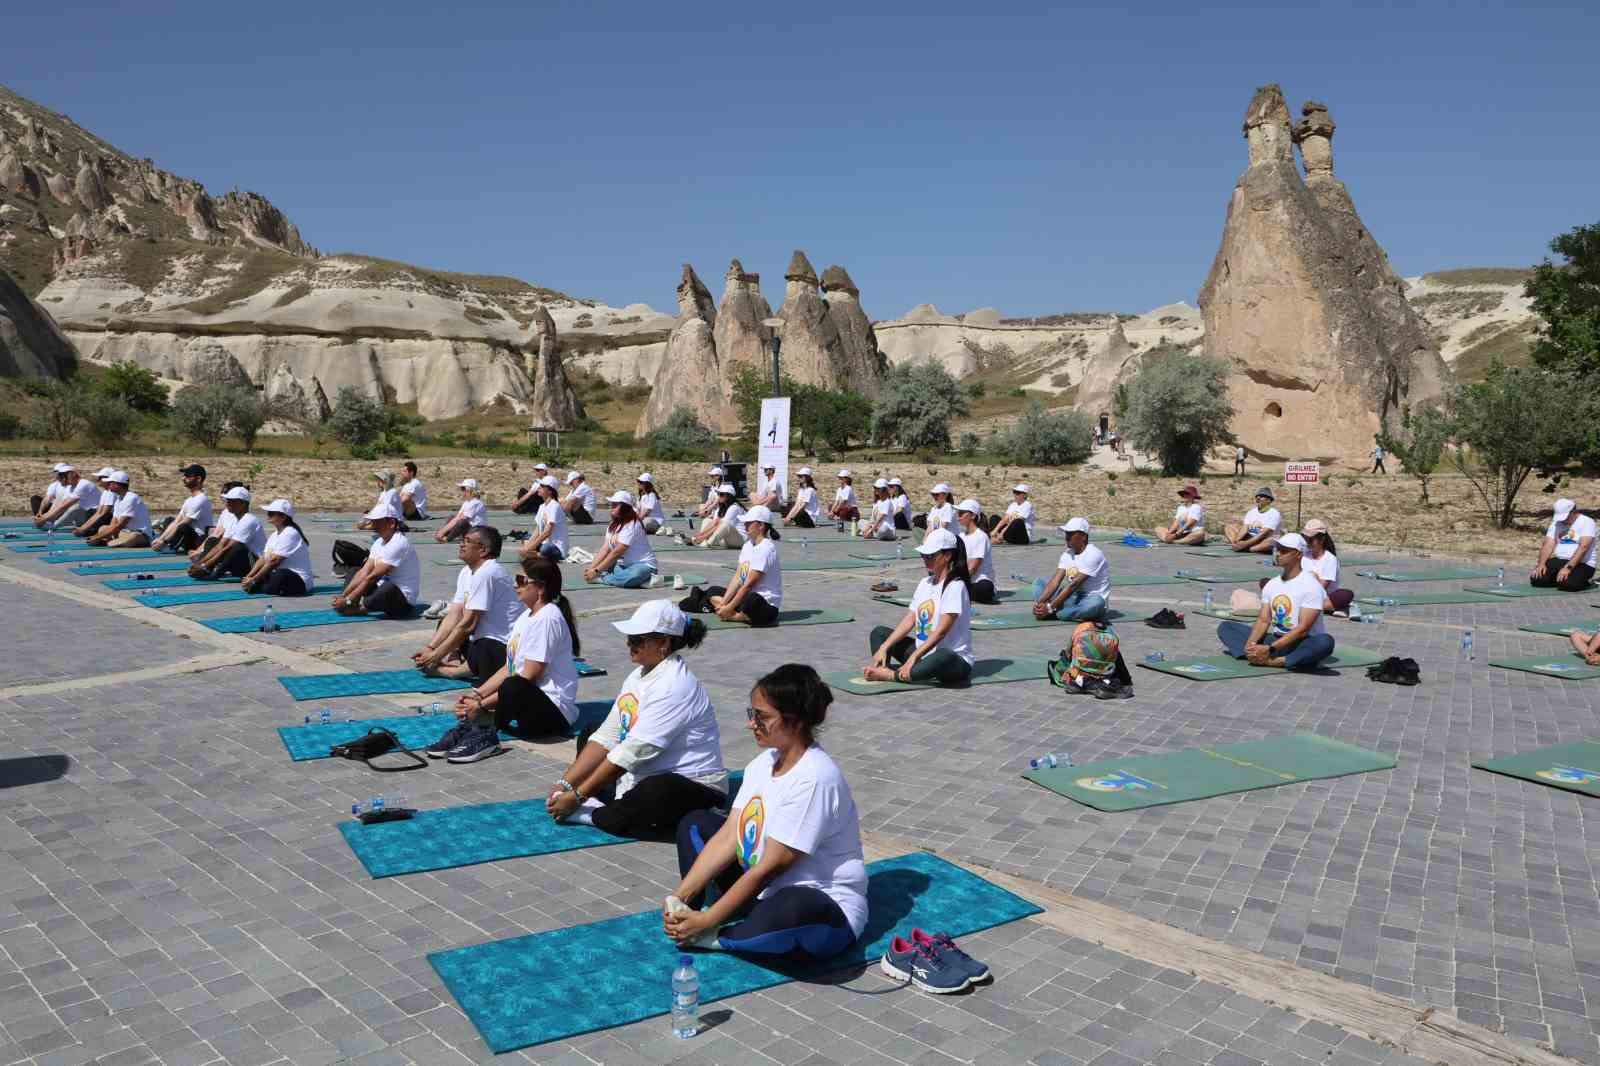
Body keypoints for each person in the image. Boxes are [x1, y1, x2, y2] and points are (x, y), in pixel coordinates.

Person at [665, 663, 867, 961]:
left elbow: (769, 869)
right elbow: (729, 835)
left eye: (761, 716)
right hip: (766, 894)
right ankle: (706, 917)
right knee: (696, 824)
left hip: (819, 907)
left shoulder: (815, 778)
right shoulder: (762, 763)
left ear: (795, 722)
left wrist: (707, 924)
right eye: (752, 714)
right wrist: (679, 896)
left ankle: (716, 934)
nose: (751, 723)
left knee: (793, 907)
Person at [544, 600, 727, 838]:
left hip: (694, 787)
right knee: (591, 732)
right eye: (630, 638)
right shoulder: (638, 675)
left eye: (638, 640)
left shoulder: (674, 686)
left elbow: (633, 751)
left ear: (664, 642)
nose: (630, 645)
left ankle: (592, 814)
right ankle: (615, 806)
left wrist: (578, 796)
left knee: (657, 790)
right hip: (641, 774)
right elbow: (608, 735)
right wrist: (565, 784)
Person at [438, 555, 583, 753]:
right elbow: (510, 667)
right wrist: (476, 694)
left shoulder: (547, 619)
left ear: (540, 588)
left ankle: (487, 732)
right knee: (506, 682)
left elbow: (529, 676)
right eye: (516, 580)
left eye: (522, 581)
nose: (516, 585)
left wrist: (481, 705)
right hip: (528, 702)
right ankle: (479, 723)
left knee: (513, 684)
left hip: (554, 713)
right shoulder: (527, 615)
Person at [864, 528, 974, 685]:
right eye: (923, 555)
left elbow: (941, 632)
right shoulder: (925, 583)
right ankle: (882, 668)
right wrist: (885, 646)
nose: (925, 559)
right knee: (879, 634)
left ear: (947, 556)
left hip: (952, 661)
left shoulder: (956, 586)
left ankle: (892, 675)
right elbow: (909, 620)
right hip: (923, 653)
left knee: (944, 655)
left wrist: (913, 657)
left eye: (930, 555)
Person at [411, 526, 521, 680]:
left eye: (467, 541)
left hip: (501, 647)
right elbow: (455, 613)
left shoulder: (487, 573)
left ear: (483, 550)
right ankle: (454, 659)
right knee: (446, 621)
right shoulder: (467, 572)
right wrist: (430, 649)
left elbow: (469, 624)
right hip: (479, 639)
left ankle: (453, 671)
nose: (461, 544)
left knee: (481, 643)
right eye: (462, 540)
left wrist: (437, 655)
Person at [1216, 533, 1335, 671]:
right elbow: (1263, 620)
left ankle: (1275, 661)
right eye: (1277, 549)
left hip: (1300, 642)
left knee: (1325, 642)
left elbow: (1303, 629)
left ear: (1298, 555)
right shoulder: (1272, 584)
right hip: (1276, 639)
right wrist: (1250, 646)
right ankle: (1258, 656)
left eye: (1284, 551)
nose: (1278, 554)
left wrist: (1270, 649)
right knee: (1226, 627)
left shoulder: (1311, 586)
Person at [698, 506, 782, 627]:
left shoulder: (766, 549)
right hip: (745, 599)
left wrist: (729, 608)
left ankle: (735, 616)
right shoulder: (748, 545)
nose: (745, 525)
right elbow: (739, 578)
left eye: (749, 522)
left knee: (752, 600)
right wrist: (725, 603)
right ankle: (737, 613)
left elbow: (748, 585)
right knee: (713, 591)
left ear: (761, 526)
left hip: (764, 605)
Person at [332, 504, 421, 617]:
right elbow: (364, 572)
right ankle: (351, 604)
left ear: (391, 523)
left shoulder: (399, 543)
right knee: (355, 571)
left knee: (387, 587)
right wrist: (343, 596)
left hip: (402, 601)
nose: (372, 525)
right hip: (381, 591)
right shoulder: (379, 542)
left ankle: (360, 609)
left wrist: (348, 600)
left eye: (377, 521)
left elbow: (373, 577)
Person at [1033, 517, 1110, 621]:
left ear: (1083, 536)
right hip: (1072, 597)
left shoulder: (1094, 554)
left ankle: (1057, 613)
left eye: (1071, 534)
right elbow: (1055, 581)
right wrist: (1039, 604)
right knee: (1039, 582)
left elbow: (1073, 585)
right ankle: (1053, 609)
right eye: (1066, 533)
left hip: (1089, 599)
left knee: (1096, 603)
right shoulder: (1068, 553)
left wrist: (1050, 608)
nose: (1067, 537)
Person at [239, 499, 316, 597]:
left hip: (298, 579)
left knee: (279, 575)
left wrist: (254, 580)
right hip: (280, 574)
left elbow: (275, 561)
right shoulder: (274, 535)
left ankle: (263, 586)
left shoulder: (290, 533)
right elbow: (263, 558)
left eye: (271, 513)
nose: (268, 515)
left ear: (283, 517)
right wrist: (249, 576)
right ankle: (263, 586)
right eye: (268, 513)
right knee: (268, 577)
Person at [189, 486, 268, 579]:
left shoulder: (249, 520)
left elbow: (227, 548)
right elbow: (220, 545)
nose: (227, 503)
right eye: (227, 500)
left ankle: (214, 573)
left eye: (232, 501)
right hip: (241, 561)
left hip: (255, 563)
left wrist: (205, 566)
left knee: (237, 548)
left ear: (243, 504)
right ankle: (210, 569)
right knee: (214, 541)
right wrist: (199, 563)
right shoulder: (235, 520)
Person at [585, 491, 659, 587]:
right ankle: (642, 581)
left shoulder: (632, 524)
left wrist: (596, 571)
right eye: (612, 504)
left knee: (632, 576)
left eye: (615, 505)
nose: (611, 507)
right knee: (616, 570)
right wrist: (591, 568)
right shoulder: (613, 525)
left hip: (643, 565)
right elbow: (605, 549)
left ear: (625, 507)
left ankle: (602, 578)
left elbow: (617, 552)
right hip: (624, 565)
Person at [1529, 498, 1597, 591]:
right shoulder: (1556, 523)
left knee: (1569, 584)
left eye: (1565, 517)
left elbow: (1583, 547)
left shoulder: (1587, 522)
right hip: (1560, 560)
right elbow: (1548, 544)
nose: (1562, 520)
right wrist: (1541, 564)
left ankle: (1583, 581)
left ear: (1573, 512)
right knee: (1537, 579)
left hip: (1582, 563)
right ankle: (1560, 579)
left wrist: (1568, 568)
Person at [150, 464, 213, 553]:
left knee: (183, 527)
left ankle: (171, 546)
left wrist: (164, 541)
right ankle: (169, 543)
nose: (183, 478)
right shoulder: (189, 500)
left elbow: (183, 523)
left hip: (198, 541)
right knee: (170, 520)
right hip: (188, 536)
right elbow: (176, 521)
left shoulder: (201, 499)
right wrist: (160, 538)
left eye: (187, 476)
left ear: (198, 479)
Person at [85, 471, 154, 548]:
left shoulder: (131, 498)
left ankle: (109, 542)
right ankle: (112, 541)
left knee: (133, 537)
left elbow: (120, 525)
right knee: (103, 528)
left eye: (110, 483)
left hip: (140, 534)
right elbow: (113, 524)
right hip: (126, 532)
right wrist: (98, 536)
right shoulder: (119, 499)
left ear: (117, 484)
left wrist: (96, 537)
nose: (108, 485)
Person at [1300, 519, 1354, 614]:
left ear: (1321, 539)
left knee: (1345, 594)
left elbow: (1320, 588)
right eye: (1305, 538)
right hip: (1301, 592)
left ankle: (1302, 605)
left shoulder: (1330, 559)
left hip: (1321, 596)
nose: (1307, 541)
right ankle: (1323, 608)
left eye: (1311, 539)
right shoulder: (1303, 554)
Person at [186, 480, 244, 560]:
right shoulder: (225, 512)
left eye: (225, 495)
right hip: (224, 543)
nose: (222, 497)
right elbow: (216, 532)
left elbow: (222, 537)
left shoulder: (237, 515)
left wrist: (201, 556)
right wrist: (198, 550)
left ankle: (204, 559)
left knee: (212, 540)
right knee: (207, 536)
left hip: (234, 549)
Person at [33, 464, 99, 532]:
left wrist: (44, 518)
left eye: (63, 477)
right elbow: (61, 504)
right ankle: (52, 523)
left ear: (71, 475)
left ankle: (53, 526)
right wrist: (44, 516)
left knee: (76, 508)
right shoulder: (71, 487)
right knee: (64, 502)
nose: (62, 480)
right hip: (86, 515)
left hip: (96, 516)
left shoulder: (83, 485)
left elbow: (64, 506)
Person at [956, 499, 998, 604]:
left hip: (979, 581)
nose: (958, 516)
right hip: (966, 581)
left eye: (961, 513)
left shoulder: (981, 537)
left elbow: (973, 568)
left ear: (973, 516)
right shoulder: (960, 536)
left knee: (984, 588)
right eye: (958, 513)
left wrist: (957, 581)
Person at [522, 475, 568, 561]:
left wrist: (529, 548)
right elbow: (538, 530)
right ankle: (535, 554)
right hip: (544, 543)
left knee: (545, 549)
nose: (539, 488)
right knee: (526, 539)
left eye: (542, 487)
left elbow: (547, 532)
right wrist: (528, 546)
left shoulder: (554, 506)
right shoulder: (542, 507)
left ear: (550, 491)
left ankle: (536, 555)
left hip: (555, 547)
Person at [1225, 487, 1282, 554]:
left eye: (1262, 496)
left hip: (1263, 539)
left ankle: (1250, 549)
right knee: (1229, 527)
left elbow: (1264, 533)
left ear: (1269, 500)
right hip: (1249, 537)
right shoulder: (1251, 512)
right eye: (1257, 496)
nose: (1258, 498)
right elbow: (1244, 528)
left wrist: (1246, 544)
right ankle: (1237, 546)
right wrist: (1237, 541)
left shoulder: (1274, 513)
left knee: (1273, 541)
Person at [688, 484, 745, 549]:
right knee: (707, 520)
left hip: (739, 540)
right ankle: (701, 541)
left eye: (721, 494)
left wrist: (703, 536)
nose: (719, 497)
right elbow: (714, 523)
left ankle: (708, 543)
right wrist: (699, 535)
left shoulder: (734, 507)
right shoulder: (721, 507)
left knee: (725, 525)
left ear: (729, 496)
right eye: (718, 494)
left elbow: (721, 525)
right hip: (725, 540)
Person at [434, 478, 488, 543]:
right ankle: (443, 536)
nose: (461, 491)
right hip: (470, 529)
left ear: (469, 490)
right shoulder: (467, 502)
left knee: (462, 522)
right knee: (452, 518)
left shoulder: (475, 503)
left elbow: (460, 519)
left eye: (463, 489)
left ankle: (447, 539)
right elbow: (457, 517)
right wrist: (442, 531)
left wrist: (442, 531)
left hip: (477, 531)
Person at [71, 468, 119, 538]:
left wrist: (84, 528)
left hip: (113, 520)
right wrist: (83, 528)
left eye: (100, 478)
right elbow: (98, 513)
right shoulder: (105, 492)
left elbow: (103, 513)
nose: (98, 480)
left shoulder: (111, 493)